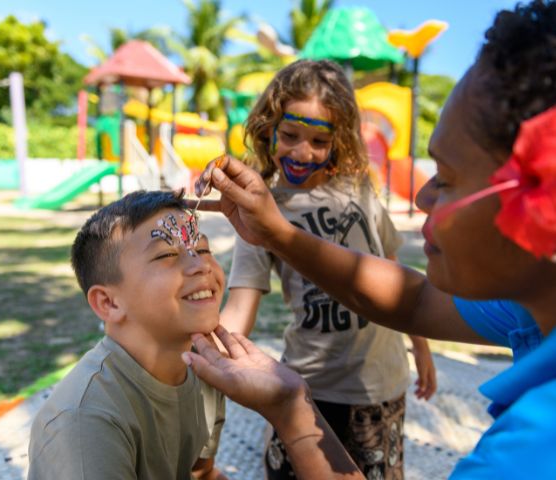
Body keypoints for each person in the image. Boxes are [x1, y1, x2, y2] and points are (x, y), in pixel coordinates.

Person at [183, 1, 556, 478]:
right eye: (290, 135)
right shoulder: (530, 312)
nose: (421, 196)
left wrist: (291, 411)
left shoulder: (526, 457)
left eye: (446, 176)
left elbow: (404, 289)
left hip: (376, 391)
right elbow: (416, 298)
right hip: (319, 381)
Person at [219, 59, 436, 479]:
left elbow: (394, 274)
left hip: (379, 388)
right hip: (308, 393)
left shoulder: (359, 188)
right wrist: (204, 350)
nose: (303, 153)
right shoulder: (261, 210)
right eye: (290, 135)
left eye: (320, 141)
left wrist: (422, 348)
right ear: (268, 129)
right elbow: (240, 307)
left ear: (340, 141)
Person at [28, 190, 228, 480]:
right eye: (167, 254)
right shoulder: (86, 421)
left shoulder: (205, 368)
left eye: (204, 249)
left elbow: (201, 474)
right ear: (109, 303)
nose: (201, 265)